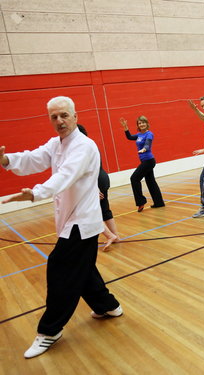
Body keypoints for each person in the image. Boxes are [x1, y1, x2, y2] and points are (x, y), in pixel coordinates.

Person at [0, 96, 122, 359]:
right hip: (71, 222)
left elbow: (65, 176)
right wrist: (6, 160)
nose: (59, 121)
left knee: (60, 271)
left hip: (81, 223)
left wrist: (34, 193)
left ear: (75, 116)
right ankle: (109, 306)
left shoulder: (84, 146)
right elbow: (33, 158)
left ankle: (49, 331)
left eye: (64, 115)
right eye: (54, 117)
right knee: (84, 270)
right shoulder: (56, 143)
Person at [77, 124, 120, 250]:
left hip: (95, 181)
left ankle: (110, 235)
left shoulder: (81, 148)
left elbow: (87, 170)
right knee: (105, 209)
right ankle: (116, 236)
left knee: (89, 211)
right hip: (103, 178)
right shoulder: (91, 144)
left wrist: (93, 188)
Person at [120, 116, 165, 212]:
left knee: (134, 178)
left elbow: (148, 143)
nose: (141, 124)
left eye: (143, 122)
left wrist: (145, 149)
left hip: (149, 161)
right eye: (139, 123)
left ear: (147, 123)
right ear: (138, 126)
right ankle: (159, 202)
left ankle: (141, 202)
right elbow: (129, 137)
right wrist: (125, 128)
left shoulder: (149, 134)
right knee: (151, 181)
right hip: (144, 161)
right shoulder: (139, 135)